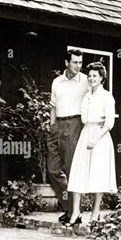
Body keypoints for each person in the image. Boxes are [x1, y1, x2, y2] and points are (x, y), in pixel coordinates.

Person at [66, 62, 117, 227]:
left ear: (102, 78)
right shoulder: (87, 96)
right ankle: (75, 213)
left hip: (100, 137)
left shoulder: (107, 96)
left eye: (95, 76)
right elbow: (83, 118)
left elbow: (109, 122)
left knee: (98, 174)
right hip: (86, 133)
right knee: (78, 172)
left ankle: (95, 213)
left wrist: (95, 139)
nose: (91, 78)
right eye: (89, 76)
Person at [47, 49, 89, 224]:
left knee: (73, 170)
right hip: (58, 125)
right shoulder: (57, 82)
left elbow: (96, 99)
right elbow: (53, 106)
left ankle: (73, 212)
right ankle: (70, 207)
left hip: (75, 124)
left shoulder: (86, 81)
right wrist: (51, 125)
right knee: (52, 170)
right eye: (74, 62)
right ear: (67, 63)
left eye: (80, 62)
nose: (78, 66)